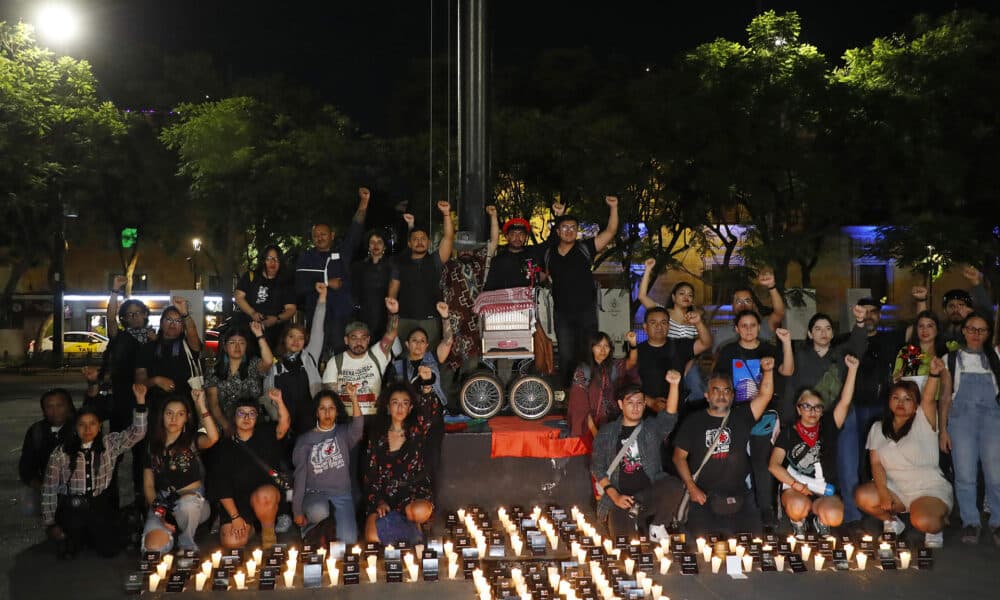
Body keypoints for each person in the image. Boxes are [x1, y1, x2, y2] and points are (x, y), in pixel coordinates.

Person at [836, 294, 922, 530]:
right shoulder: (845, 340)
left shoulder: (890, 339)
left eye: (874, 311)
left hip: (883, 408)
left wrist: (920, 301)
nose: (869, 315)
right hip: (851, 408)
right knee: (849, 461)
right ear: (856, 314)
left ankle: (888, 510)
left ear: (880, 315)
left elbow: (916, 338)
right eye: (864, 311)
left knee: (883, 462)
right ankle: (853, 516)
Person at [41, 383, 148, 559]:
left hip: (99, 505)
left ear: (99, 426)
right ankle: (72, 536)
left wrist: (140, 402)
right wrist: (50, 523)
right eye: (82, 424)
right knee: (69, 550)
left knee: (109, 550)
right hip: (72, 507)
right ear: (75, 427)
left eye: (92, 424)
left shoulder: (110, 444)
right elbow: (49, 489)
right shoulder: (61, 453)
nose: (87, 429)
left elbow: (137, 432)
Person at [672, 357, 776, 536]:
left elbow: (765, 395)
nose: (721, 395)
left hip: (740, 493)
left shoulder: (742, 416)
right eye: (716, 390)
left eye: (726, 391)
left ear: (732, 396)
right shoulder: (693, 421)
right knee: (701, 542)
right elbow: (678, 457)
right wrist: (691, 487)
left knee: (756, 540)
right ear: (707, 394)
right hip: (704, 494)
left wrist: (768, 371)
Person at [855, 360, 952, 548]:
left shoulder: (924, 421)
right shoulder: (877, 427)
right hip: (896, 489)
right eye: (896, 397)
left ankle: (937, 524)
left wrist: (933, 374)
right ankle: (892, 521)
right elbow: (875, 464)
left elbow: (929, 398)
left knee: (923, 522)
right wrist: (883, 492)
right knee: (863, 496)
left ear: (916, 405)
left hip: (928, 488)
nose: (901, 403)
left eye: (908, 399)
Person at [769, 355, 860, 537]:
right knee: (797, 507)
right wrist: (797, 485)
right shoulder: (789, 432)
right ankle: (798, 521)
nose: (812, 411)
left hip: (824, 488)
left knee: (834, 516)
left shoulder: (828, 425)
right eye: (807, 406)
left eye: (817, 407)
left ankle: (820, 520)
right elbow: (773, 466)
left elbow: (844, 402)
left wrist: (853, 370)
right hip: (795, 487)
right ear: (798, 409)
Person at [591, 375, 682, 541]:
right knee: (624, 545)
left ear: (645, 405)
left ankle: (658, 524)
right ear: (620, 405)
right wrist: (615, 496)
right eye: (630, 403)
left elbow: (670, 416)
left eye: (639, 403)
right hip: (620, 500)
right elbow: (597, 467)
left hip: (649, 495)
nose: (635, 407)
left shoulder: (651, 428)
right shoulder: (607, 432)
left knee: (674, 485)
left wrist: (674, 385)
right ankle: (633, 523)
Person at [938, 313, 1000, 546]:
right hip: (960, 420)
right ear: (963, 331)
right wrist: (943, 430)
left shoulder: (995, 356)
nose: (976, 334)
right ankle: (970, 521)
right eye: (972, 329)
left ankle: (998, 521)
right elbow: (945, 397)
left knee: (996, 474)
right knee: (964, 474)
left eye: (982, 330)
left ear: (988, 333)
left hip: (993, 420)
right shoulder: (950, 359)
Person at [545, 197, 618, 385]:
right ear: (558, 231)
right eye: (565, 227)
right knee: (567, 356)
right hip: (562, 314)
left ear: (577, 232)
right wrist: (558, 216)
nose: (569, 231)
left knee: (589, 354)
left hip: (586, 312)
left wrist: (613, 207)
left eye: (573, 228)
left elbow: (610, 232)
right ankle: (570, 395)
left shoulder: (585, 248)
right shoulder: (548, 253)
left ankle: (593, 390)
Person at [209, 389, 291, 549]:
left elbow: (284, 424)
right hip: (236, 501)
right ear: (234, 417)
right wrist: (235, 517)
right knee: (232, 542)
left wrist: (279, 402)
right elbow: (222, 486)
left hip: (263, 497)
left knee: (265, 496)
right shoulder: (224, 445)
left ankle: (268, 532)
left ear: (257, 417)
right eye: (242, 413)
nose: (246, 417)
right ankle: (251, 528)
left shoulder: (266, 434)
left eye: (251, 414)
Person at [141, 389, 219, 554]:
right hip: (163, 504)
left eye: (180, 414)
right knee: (153, 548)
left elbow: (213, 437)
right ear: (162, 416)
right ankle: (169, 537)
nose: (174, 419)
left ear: (187, 417)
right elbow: (148, 485)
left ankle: (187, 543)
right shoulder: (152, 446)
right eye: (169, 413)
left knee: (188, 503)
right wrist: (160, 514)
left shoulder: (192, 440)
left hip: (192, 504)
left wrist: (201, 405)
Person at [295, 187, 370, 355]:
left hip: (340, 316)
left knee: (340, 354)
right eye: (316, 235)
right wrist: (328, 284)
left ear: (332, 235)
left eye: (323, 234)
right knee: (315, 354)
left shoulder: (342, 253)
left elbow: (355, 230)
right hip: (316, 315)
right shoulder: (306, 258)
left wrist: (363, 203)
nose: (319, 238)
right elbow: (300, 286)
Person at [101, 277, 155, 507]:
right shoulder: (121, 337)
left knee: (143, 457)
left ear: (145, 315)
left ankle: (141, 501)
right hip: (122, 402)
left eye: (138, 313)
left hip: (146, 403)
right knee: (114, 454)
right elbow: (110, 319)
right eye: (129, 314)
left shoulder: (154, 339)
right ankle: (108, 501)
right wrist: (115, 290)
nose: (134, 317)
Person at [363, 382, 437, 545]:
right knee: (371, 537)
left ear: (410, 408)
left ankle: (412, 524)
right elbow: (370, 475)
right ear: (388, 407)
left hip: (413, 491)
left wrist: (426, 387)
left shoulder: (417, 431)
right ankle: (407, 531)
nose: (400, 408)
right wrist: (379, 502)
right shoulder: (377, 435)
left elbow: (429, 410)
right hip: (385, 493)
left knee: (419, 511)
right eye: (395, 403)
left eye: (405, 403)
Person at [292, 386, 364, 544]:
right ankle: (310, 528)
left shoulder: (343, 433)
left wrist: (353, 398)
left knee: (349, 540)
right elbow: (300, 477)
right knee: (319, 511)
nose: (327, 412)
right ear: (316, 412)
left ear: (337, 411)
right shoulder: (305, 440)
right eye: (322, 408)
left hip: (342, 494)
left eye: (331, 408)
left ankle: (332, 527)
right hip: (315, 493)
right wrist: (297, 510)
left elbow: (358, 427)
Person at [440, 205, 499, 381]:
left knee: (471, 367)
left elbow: (494, 241)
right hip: (452, 322)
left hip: (474, 322)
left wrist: (493, 217)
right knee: (448, 364)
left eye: (468, 248)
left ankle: (468, 403)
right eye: (461, 248)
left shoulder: (480, 263)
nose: (465, 251)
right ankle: (447, 400)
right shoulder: (448, 265)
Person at [388, 200, 455, 348]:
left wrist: (446, 214)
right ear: (409, 243)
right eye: (415, 239)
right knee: (406, 360)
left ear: (429, 242)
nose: (419, 242)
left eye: (423, 239)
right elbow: (392, 292)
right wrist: (391, 317)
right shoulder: (400, 263)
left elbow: (448, 238)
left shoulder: (435, 261)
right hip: (405, 319)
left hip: (431, 320)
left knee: (430, 358)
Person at [784, 308, 867, 424]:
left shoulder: (842, 354)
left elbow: (858, 344)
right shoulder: (799, 356)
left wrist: (860, 321)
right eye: (818, 329)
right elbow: (790, 385)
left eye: (828, 329)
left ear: (832, 334)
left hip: (839, 416)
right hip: (806, 418)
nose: (823, 333)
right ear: (810, 334)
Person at [321, 297, 400, 416]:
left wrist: (393, 313)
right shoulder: (335, 362)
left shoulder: (378, 354)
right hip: (347, 419)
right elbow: (329, 397)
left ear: (368, 340)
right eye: (354, 337)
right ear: (346, 340)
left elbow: (391, 333)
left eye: (363, 338)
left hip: (372, 418)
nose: (359, 342)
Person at [269, 282, 327, 437]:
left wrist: (322, 298)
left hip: (310, 425)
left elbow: (317, 328)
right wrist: (278, 419)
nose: (296, 341)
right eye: (291, 336)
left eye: (301, 337)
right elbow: (267, 398)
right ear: (284, 339)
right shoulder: (275, 366)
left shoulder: (309, 357)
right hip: (284, 426)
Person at [135, 297, 203, 413]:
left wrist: (185, 314)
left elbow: (192, 333)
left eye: (178, 321)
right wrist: (156, 381)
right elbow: (139, 383)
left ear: (183, 327)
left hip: (186, 409)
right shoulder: (147, 348)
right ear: (161, 323)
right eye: (169, 320)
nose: (173, 324)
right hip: (155, 409)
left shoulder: (189, 346)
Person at [205, 321, 274, 436]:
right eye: (232, 342)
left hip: (252, 424)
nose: (237, 346)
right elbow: (213, 404)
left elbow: (268, 361)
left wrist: (259, 335)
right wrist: (226, 426)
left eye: (241, 343)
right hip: (223, 426)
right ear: (225, 347)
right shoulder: (214, 370)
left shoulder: (253, 365)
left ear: (246, 346)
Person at [568, 331, 637, 440]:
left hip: (611, 422)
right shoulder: (583, 370)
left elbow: (631, 362)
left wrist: (633, 345)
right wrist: (596, 435)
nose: (603, 350)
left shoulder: (612, 367)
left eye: (606, 346)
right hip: (588, 427)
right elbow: (581, 407)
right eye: (598, 346)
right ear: (591, 348)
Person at [19, 388, 75, 517]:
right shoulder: (36, 431)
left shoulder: (81, 427)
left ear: (69, 406)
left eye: (60, 405)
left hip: (79, 493)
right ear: (43, 410)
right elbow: (26, 468)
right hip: (49, 492)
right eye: (49, 407)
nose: (55, 411)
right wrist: (44, 488)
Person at [635, 307, 703, 407]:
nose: (659, 327)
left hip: (678, 410)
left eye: (663, 322)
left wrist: (698, 323)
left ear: (668, 326)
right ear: (645, 327)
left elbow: (705, 343)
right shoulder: (635, 352)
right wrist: (651, 402)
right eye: (653, 323)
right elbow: (628, 386)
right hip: (646, 412)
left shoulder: (679, 345)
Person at [389, 302, 453, 408]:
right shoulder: (398, 365)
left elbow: (448, 342)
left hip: (433, 409)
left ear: (427, 345)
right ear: (407, 344)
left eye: (422, 341)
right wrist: (393, 313)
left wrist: (445, 316)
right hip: (408, 410)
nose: (418, 344)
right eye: (414, 340)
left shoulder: (433, 357)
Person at [235, 244, 297, 348]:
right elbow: (239, 296)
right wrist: (252, 313)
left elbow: (291, 308)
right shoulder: (251, 277)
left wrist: (277, 319)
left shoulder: (285, 282)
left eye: (277, 259)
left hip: (274, 335)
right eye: (269, 258)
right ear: (263, 260)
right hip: (248, 333)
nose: (273, 262)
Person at [637, 259, 711, 343]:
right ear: (673, 297)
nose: (686, 297)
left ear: (692, 300)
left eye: (690, 295)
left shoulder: (694, 319)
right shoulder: (663, 313)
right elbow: (642, 296)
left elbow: (703, 343)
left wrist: (699, 318)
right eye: (682, 293)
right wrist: (648, 269)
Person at [711, 271, 786, 351]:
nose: (743, 305)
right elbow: (717, 360)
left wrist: (771, 286)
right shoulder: (721, 332)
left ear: (753, 304)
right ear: (732, 305)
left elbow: (779, 313)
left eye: (747, 301)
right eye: (738, 302)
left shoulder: (764, 327)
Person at [483, 215, 548, 291]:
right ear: (507, 237)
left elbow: (552, 241)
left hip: (533, 300)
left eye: (521, 234)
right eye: (513, 234)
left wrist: (559, 215)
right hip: (506, 301)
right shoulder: (498, 260)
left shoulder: (534, 253)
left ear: (526, 237)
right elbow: (489, 289)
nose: (517, 238)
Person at [352, 229, 393, 340]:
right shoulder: (359, 267)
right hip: (364, 314)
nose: (376, 245)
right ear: (368, 246)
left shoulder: (392, 266)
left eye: (379, 242)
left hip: (385, 313)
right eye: (372, 242)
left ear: (384, 246)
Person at [939, 267, 995, 345]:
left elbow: (988, 313)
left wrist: (975, 282)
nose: (956, 309)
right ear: (945, 310)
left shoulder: (976, 334)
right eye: (951, 306)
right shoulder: (938, 330)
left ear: (969, 309)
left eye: (961, 305)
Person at [891, 310, 948, 383]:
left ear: (937, 329)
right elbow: (895, 380)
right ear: (916, 329)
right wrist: (896, 378)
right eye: (921, 326)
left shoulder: (946, 350)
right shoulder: (907, 352)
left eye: (929, 326)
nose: (925, 330)